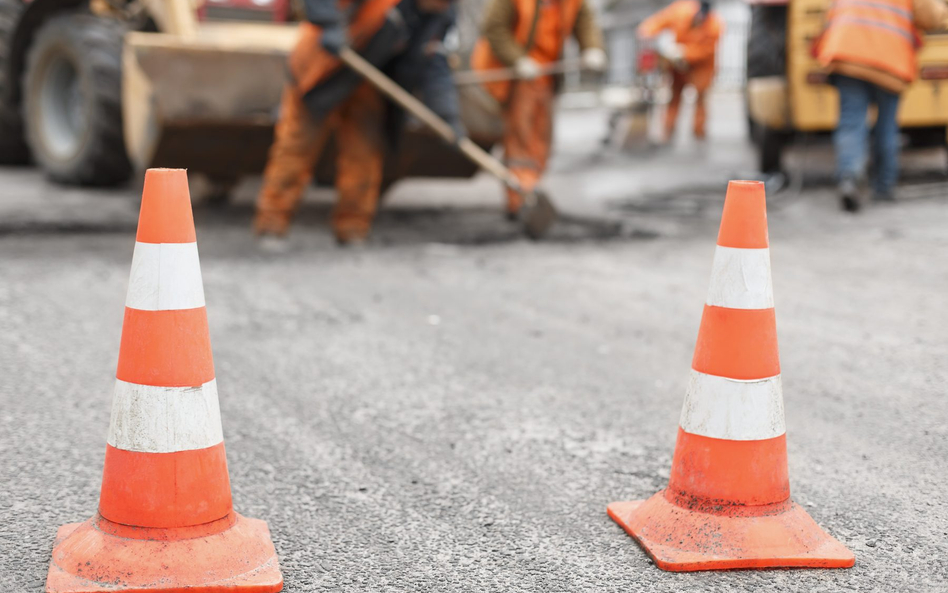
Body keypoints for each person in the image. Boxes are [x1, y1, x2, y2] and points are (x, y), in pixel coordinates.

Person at [254, 0, 463, 245]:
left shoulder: (440, 17)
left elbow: (434, 66)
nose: (443, 5)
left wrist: (448, 118)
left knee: (363, 156)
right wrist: (329, 25)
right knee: (297, 149)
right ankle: (272, 225)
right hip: (322, 68)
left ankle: (353, 228)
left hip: (365, 79)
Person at [472, 0, 606, 217]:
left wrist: (592, 48)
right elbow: (494, 28)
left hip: (546, 75)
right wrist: (518, 60)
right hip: (515, 76)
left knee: (541, 139)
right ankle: (520, 199)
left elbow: (584, 21)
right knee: (521, 139)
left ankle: (531, 191)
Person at [815, 0, 948, 211]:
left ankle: (849, 177)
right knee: (886, 126)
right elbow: (932, 16)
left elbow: (828, 14)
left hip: (848, 54)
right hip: (890, 60)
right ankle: (883, 188)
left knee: (851, 122)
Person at [637, 0, 722, 143]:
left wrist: (684, 52)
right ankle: (668, 132)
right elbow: (659, 21)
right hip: (678, 65)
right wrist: (647, 31)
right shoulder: (680, 11)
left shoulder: (715, 25)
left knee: (700, 99)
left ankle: (699, 133)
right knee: (674, 97)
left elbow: (707, 50)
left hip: (702, 67)